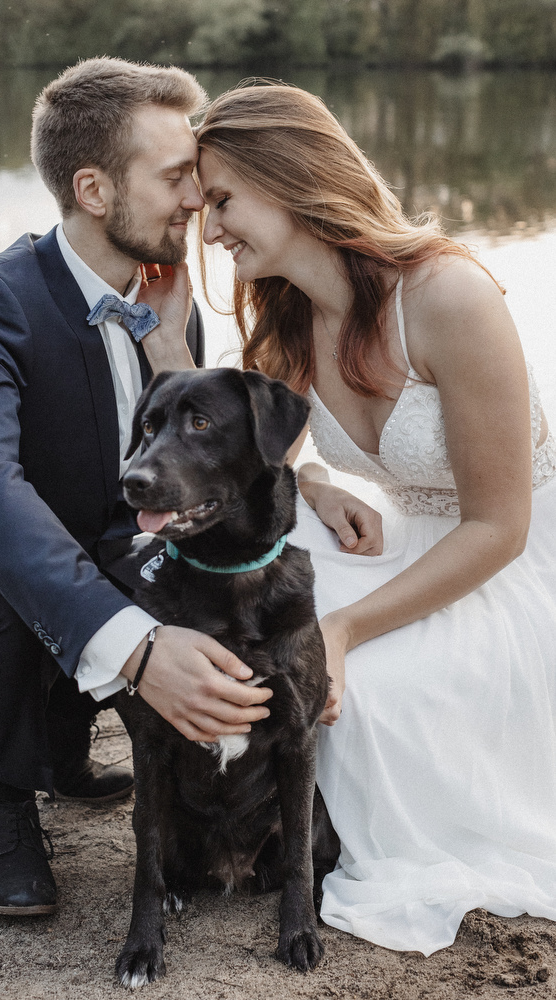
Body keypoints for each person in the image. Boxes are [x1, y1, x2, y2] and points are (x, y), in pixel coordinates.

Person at [0, 58, 274, 918]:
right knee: (2, 550)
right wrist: (136, 648)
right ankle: (2, 807)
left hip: (93, 561)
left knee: (214, 554)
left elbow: (203, 481)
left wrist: (177, 357)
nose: (197, 201)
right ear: (94, 189)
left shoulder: (172, 305)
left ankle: (72, 751)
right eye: (178, 177)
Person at [195, 82, 556, 955]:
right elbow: (263, 456)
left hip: (513, 561)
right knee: (256, 608)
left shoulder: (447, 294)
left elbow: (500, 526)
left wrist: (346, 629)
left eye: (221, 201)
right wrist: (315, 478)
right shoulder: (287, 315)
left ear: (285, 179)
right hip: (407, 539)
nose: (209, 230)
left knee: (353, 691)